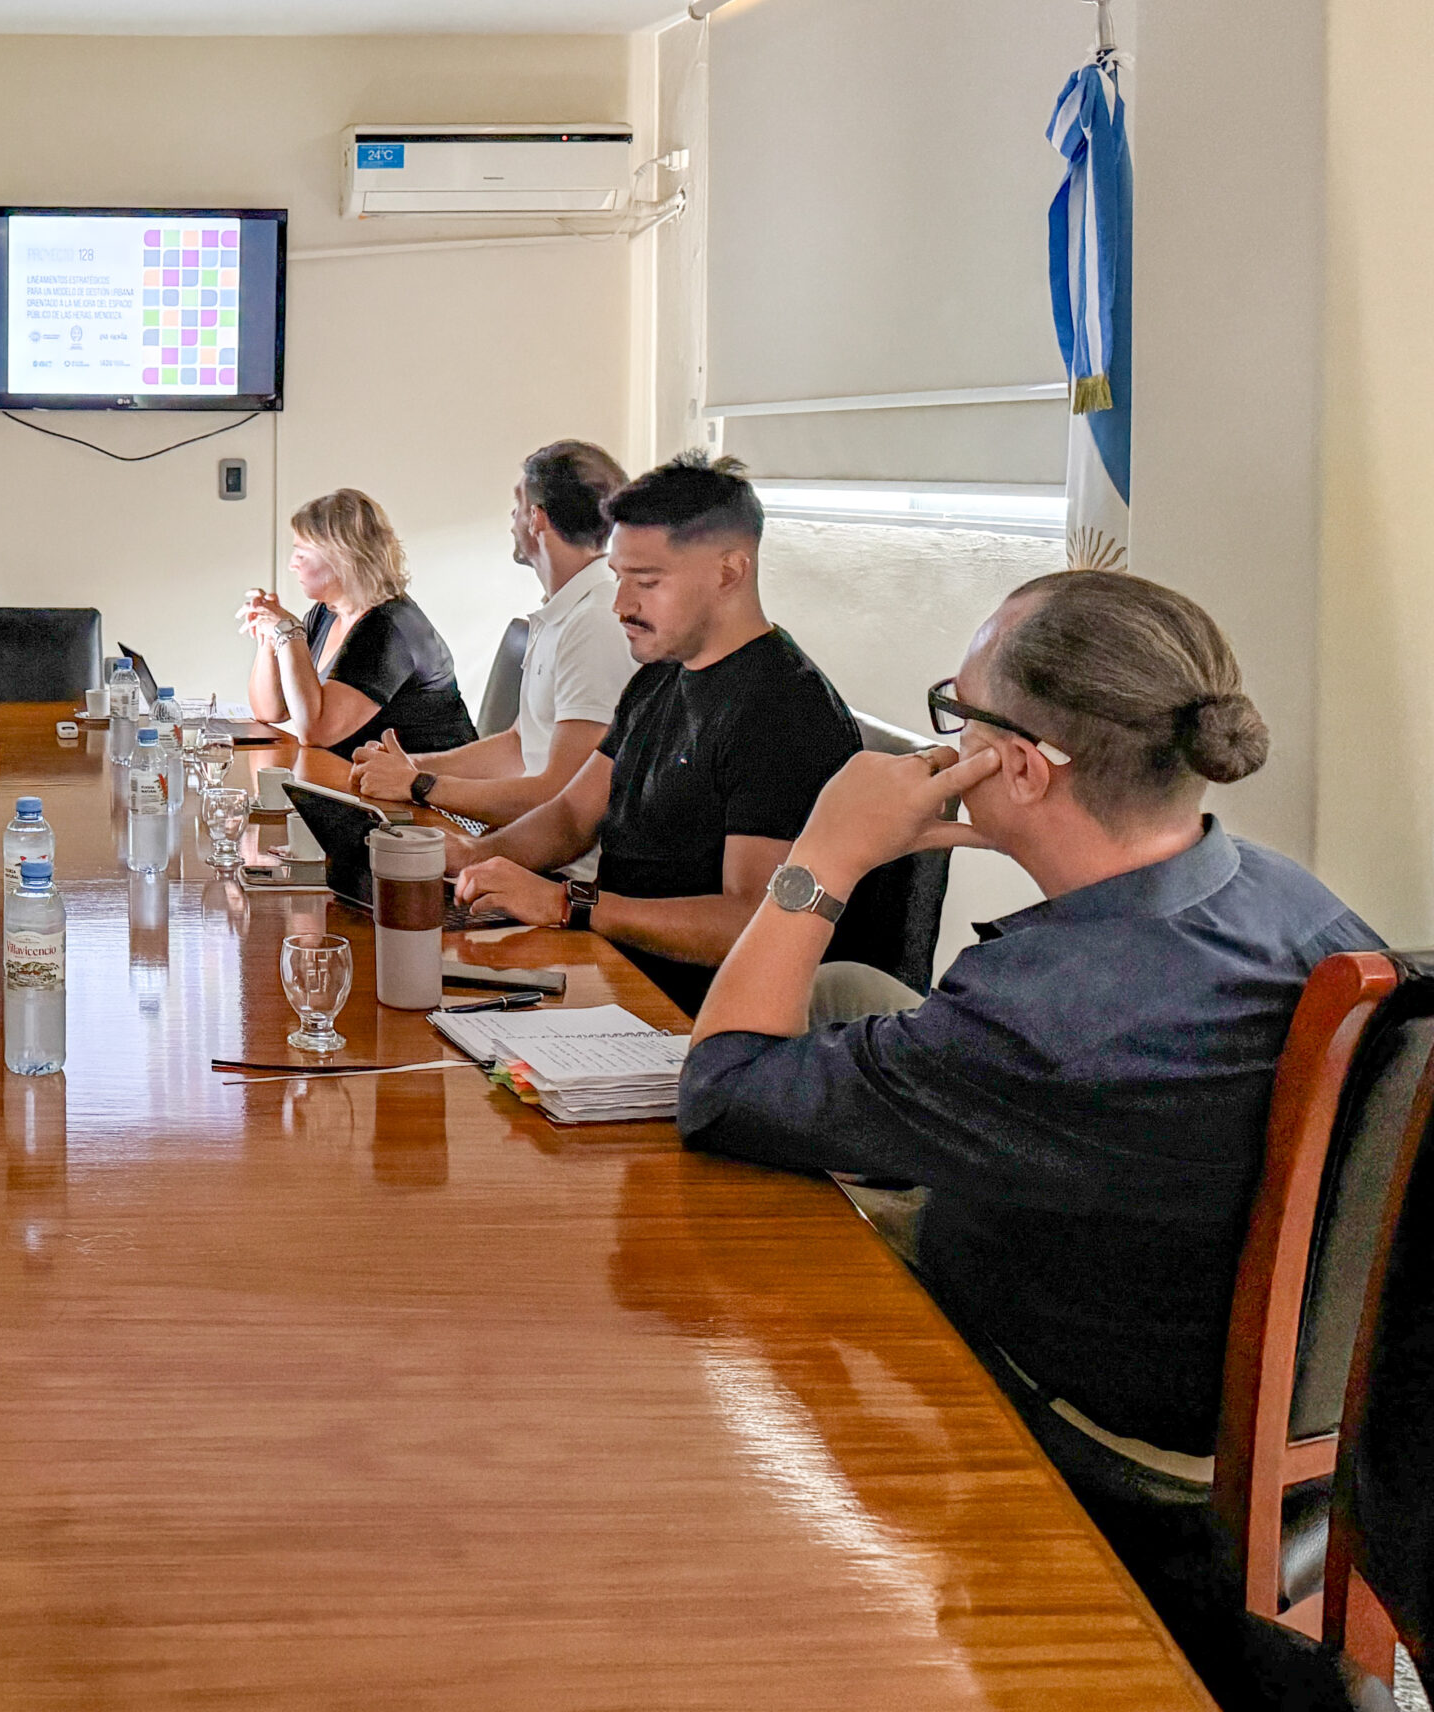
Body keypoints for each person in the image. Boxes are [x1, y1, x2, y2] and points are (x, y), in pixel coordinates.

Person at [678, 570, 1381, 1475]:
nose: (949, 739)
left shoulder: (1038, 1016)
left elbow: (719, 1089)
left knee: (724, 1232)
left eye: (958, 712)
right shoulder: (1285, 891)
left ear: (1020, 766)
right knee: (844, 988)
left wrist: (827, 854)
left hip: (1083, 1411)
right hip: (1250, 1359)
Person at [448, 454, 858, 1015]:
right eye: (619, 578)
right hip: (611, 971)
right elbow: (572, 817)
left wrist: (570, 905)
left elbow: (750, 919)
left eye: (647, 582)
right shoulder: (661, 675)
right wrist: (468, 860)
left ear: (729, 572)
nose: (621, 605)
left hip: (689, 1013)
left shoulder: (783, 711)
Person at [349, 441, 635, 846]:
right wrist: (409, 766)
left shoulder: (594, 621)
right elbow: (518, 746)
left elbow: (559, 794)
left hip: (560, 870)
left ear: (536, 518)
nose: (512, 518)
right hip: (522, 845)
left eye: (518, 505)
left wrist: (420, 784)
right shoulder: (564, 609)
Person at [238, 488, 476, 758]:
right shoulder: (327, 613)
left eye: (302, 554)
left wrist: (288, 633)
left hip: (426, 781)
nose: (292, 565)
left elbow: (316, 732)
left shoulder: (387, 628)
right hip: (368, 774)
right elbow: (270, 711)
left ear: (342, 558)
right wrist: (269, 638)